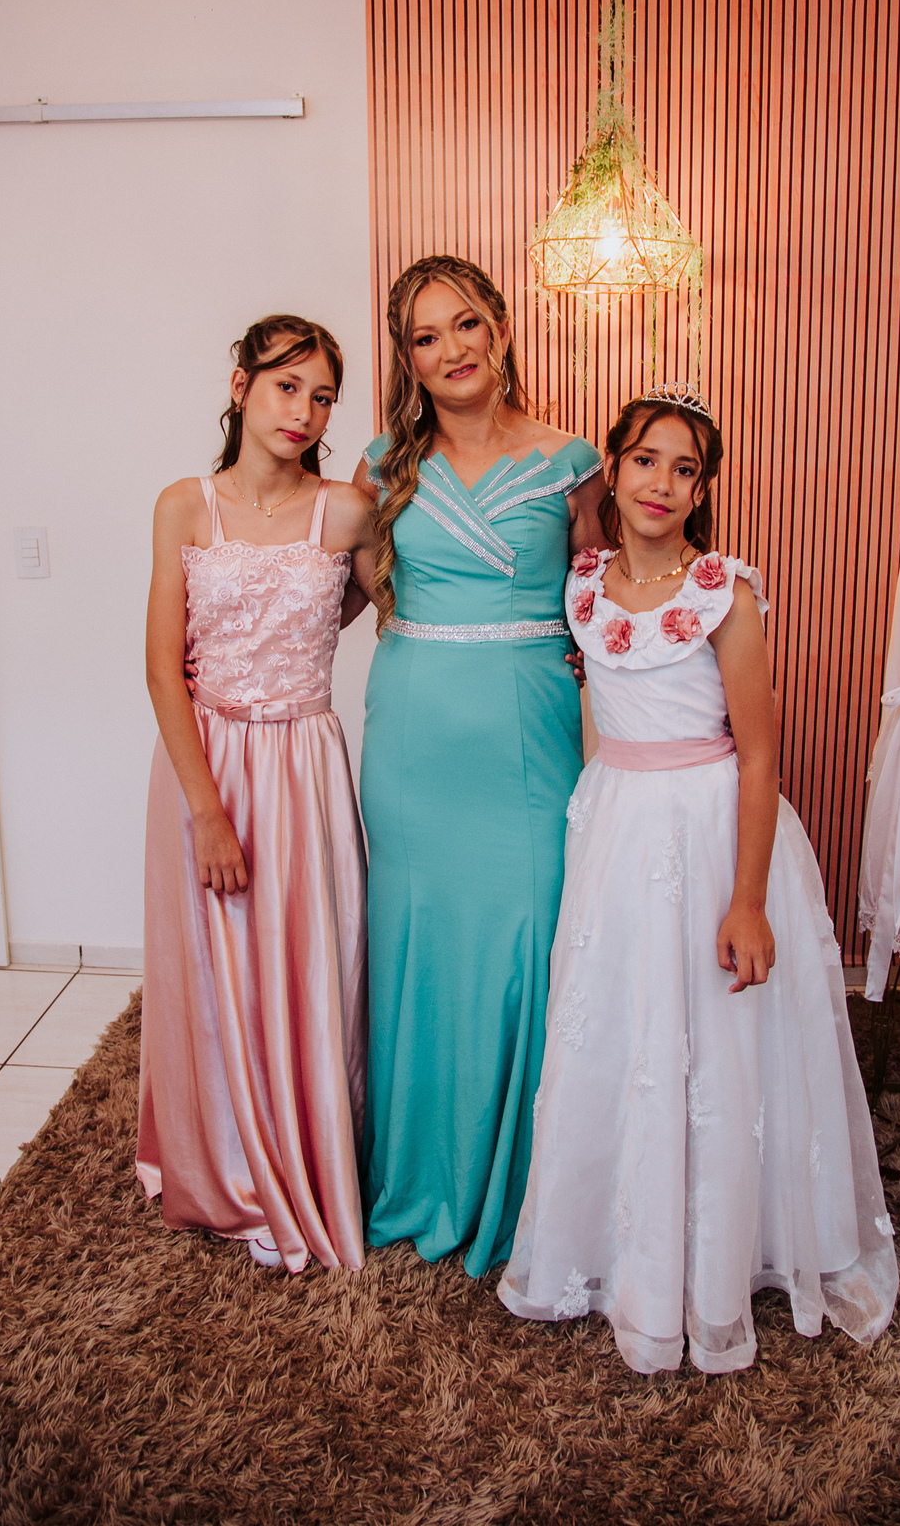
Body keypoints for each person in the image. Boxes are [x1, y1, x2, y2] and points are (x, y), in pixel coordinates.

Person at [498, 386, 898, 1373]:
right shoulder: (582, 584)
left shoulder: (726, 592)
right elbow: (592, 705)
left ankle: (723, 1249)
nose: (662, 484)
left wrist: (748, 900)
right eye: (645, 461)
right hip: (620, 828)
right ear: (613, 469)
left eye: (685, 470)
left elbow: (758, 756)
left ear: (703, 489)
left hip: (712, 829)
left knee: (718, 1041)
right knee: (623, 1027)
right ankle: (616, 1240)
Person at [353, 255, 605, 1277]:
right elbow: (346, 590)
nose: (451, 349)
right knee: (420, 945)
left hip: (528, 734)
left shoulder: (571, 461)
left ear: (499, 327)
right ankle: (422, 1170)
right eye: (426, 337)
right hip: (414, 737)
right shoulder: (383, 465)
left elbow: (606, 595)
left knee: (531, 939)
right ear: (408, 360)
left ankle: (531, 1183)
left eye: (465, 324)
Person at [138, 314, 377, 1273]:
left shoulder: (346, 512)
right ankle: (223, 1161)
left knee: (309, 956)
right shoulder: (184, 506)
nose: (304, 411)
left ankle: (309, 1150)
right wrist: (206, 812)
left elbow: (392, 608)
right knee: (213, 962)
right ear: (240, 386)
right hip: (206, 763)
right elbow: (162, 670)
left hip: (305, 764)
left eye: (323, 397)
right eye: (286, 386)